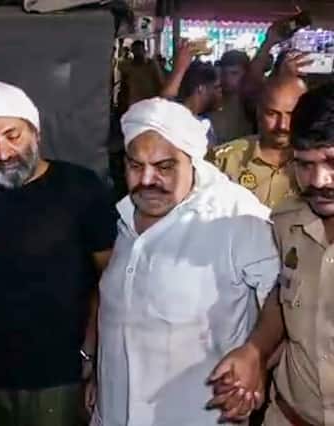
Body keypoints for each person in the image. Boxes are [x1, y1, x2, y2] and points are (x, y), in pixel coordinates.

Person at [88, 97, 280, 426]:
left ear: (192, 160)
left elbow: (284, 296)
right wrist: (97, 371)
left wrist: (257, 357)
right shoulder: (122, 216)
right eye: (135, 166)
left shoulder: (235, 217)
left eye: (164, 167)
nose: (147, 180)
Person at [0, 81, 118, 426]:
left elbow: (111, 278)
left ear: (36, 132)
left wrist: (91, 352)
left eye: (13, 136)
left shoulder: (79, 188)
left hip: (52, 378)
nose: (3, 153)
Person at [208, 82, 334, 426]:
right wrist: (256, 352)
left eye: (331, 161)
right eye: (304, 165)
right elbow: (284, 296)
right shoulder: (286, 222)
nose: (319, 180)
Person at [208, 54, 309, 208]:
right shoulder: (225, 160)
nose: (282, 125)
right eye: (272, 114)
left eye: (291, 115)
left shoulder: (317, 164)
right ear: (258, 112)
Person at [118, 40, 165, 114]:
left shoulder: (152, 65)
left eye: (139, 50)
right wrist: (123, 103)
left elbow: (160, 83)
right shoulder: (127, 67)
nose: (137, 53)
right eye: (135, 50)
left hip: (150, 102)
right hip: (134, 103)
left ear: (144, 51)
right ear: (132, 52)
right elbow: (124, 85)